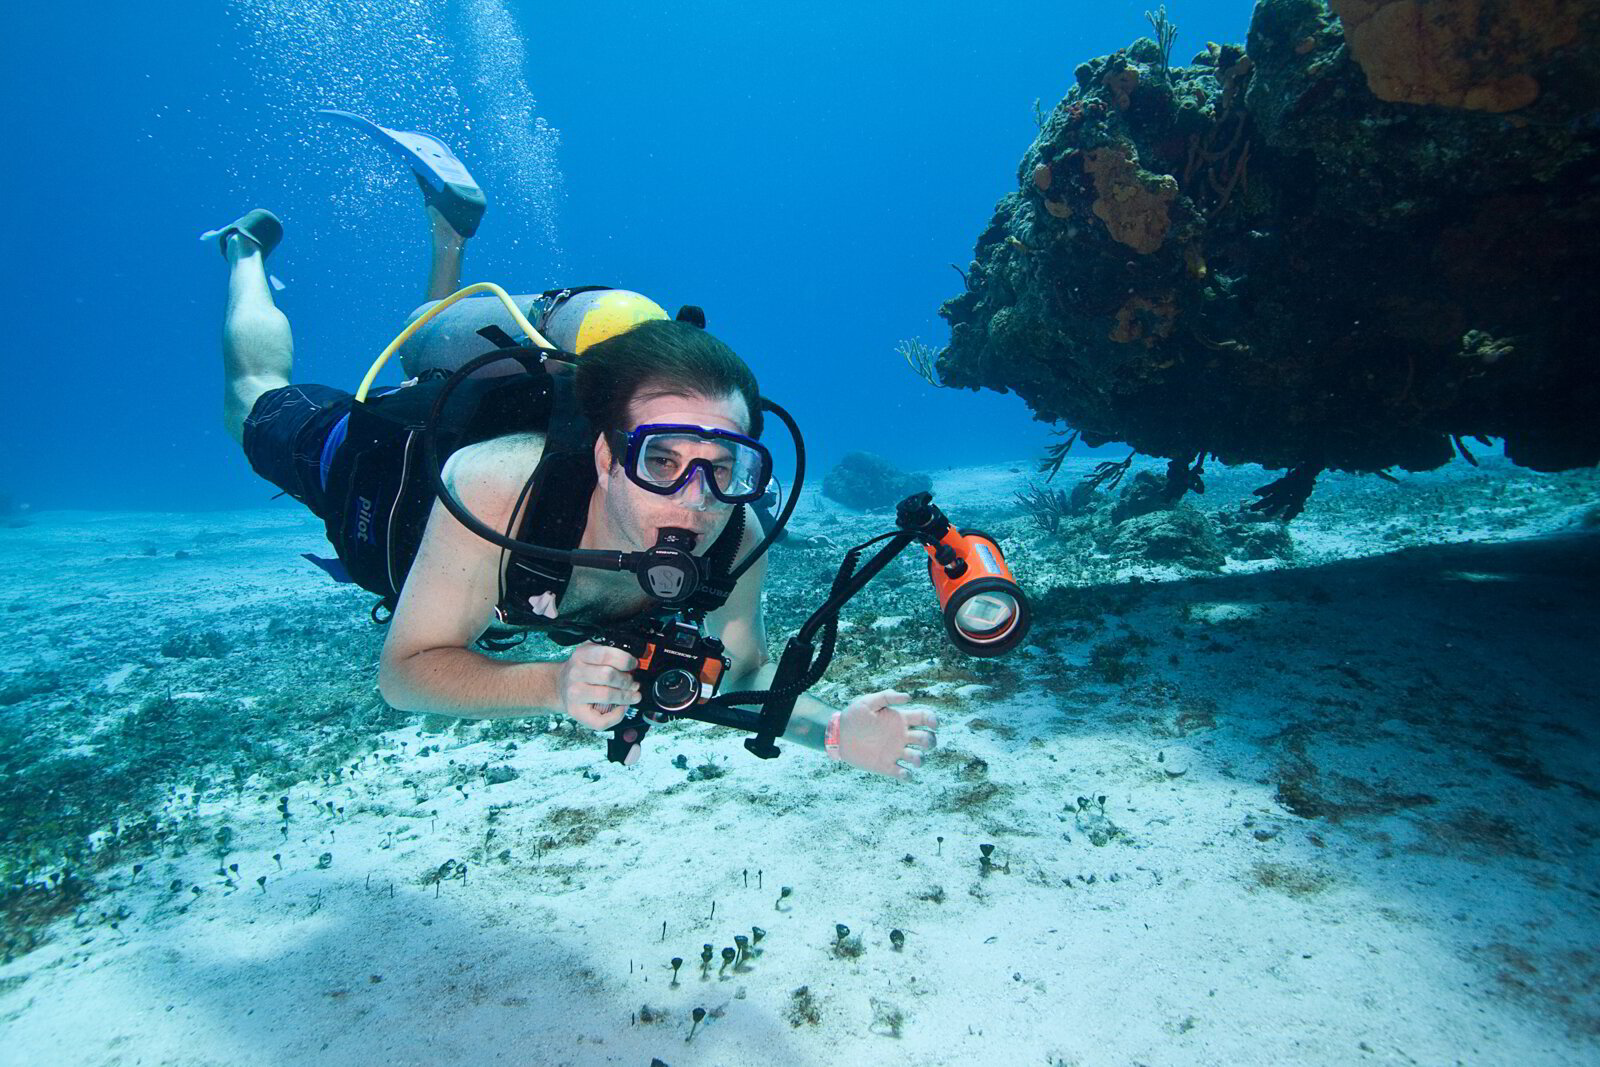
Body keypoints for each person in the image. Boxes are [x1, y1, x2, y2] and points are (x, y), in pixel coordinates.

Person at [212, 122, 938, 778]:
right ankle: (244, 255)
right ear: (602, 456)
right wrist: (552, 683)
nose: (696, 497)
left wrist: (836, 732)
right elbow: (405, 673)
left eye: (725, 467)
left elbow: (741, 671)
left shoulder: (735, 531)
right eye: (661, 459)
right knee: (251, 398)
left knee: (418, 345)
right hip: (379, 482)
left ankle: (446, 242)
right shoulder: (498, 484)